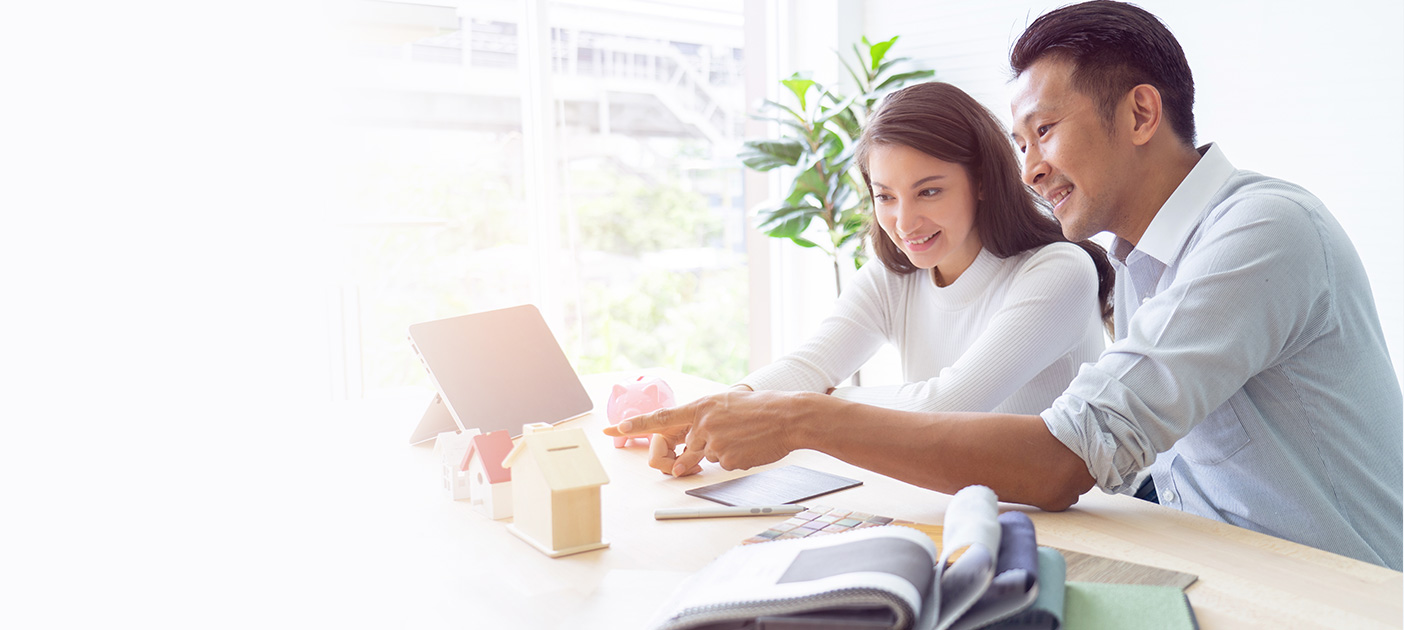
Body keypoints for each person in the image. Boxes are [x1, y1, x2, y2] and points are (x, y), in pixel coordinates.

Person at [607, 0, 1403, 570]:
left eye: (1046, 132)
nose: (1030, 169)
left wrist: (806, 420)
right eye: (1020, 141)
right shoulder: (1137, 258)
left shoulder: (1260, 232)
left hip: (1334, 590)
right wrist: (751, 409)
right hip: (1206, 555)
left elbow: (1065, 457)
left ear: (1140, 114)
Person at [648, 80, 1115, 478]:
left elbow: (946, 406)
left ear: (982, 181)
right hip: (959, 503)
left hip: (1081, 520)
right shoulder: (896, 276)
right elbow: (809, 367)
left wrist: (807, 409)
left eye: (928, 191)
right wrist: (713, 413)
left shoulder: (1057, 272)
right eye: (885, 196)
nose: (905, 221)